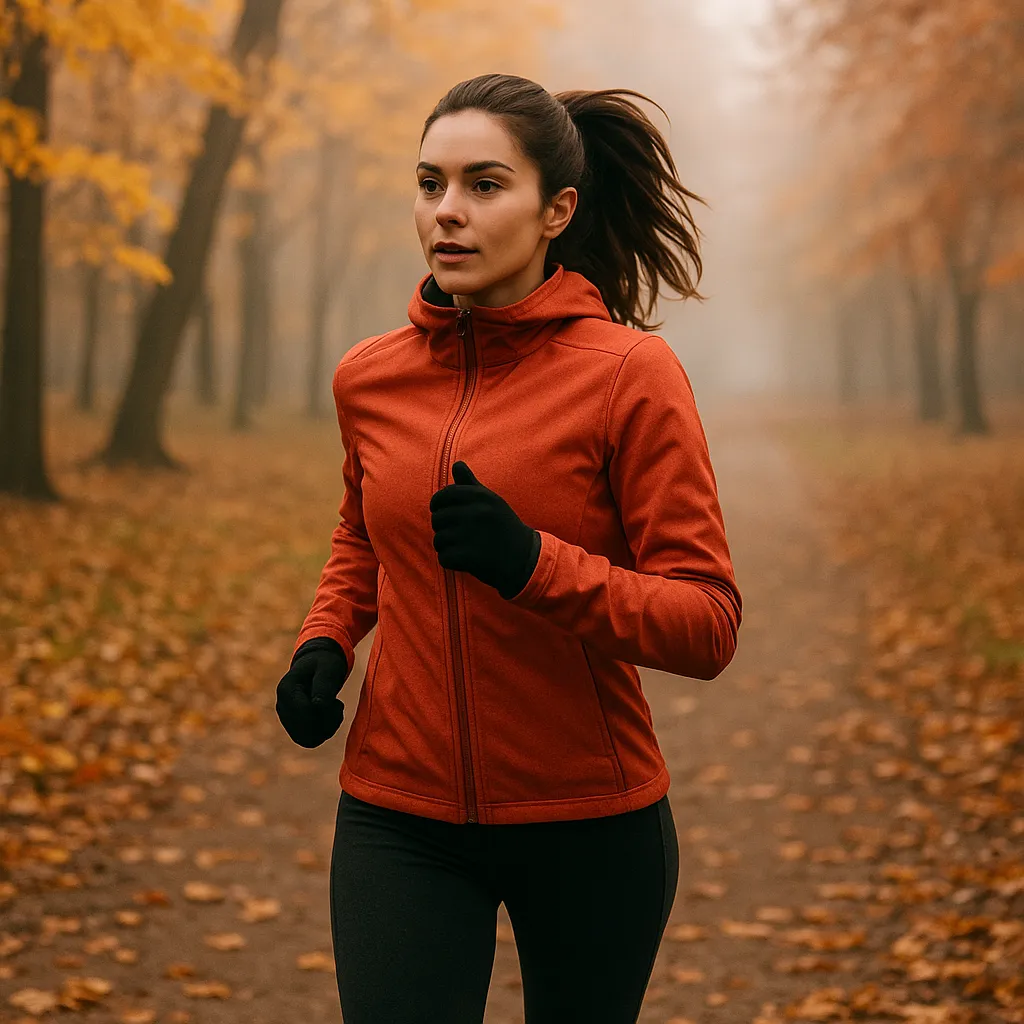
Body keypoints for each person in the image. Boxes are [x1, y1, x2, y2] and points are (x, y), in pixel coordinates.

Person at [275, 72, 742, 1024]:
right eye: (429, 183)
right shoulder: (370, 378)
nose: (448, 212)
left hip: (590, 820)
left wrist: (531, 564)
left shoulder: (627, 376)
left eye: (485, 185)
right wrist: (325, 641)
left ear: (555, 210)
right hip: (397, 810)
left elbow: (706, 622)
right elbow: (361, 535)